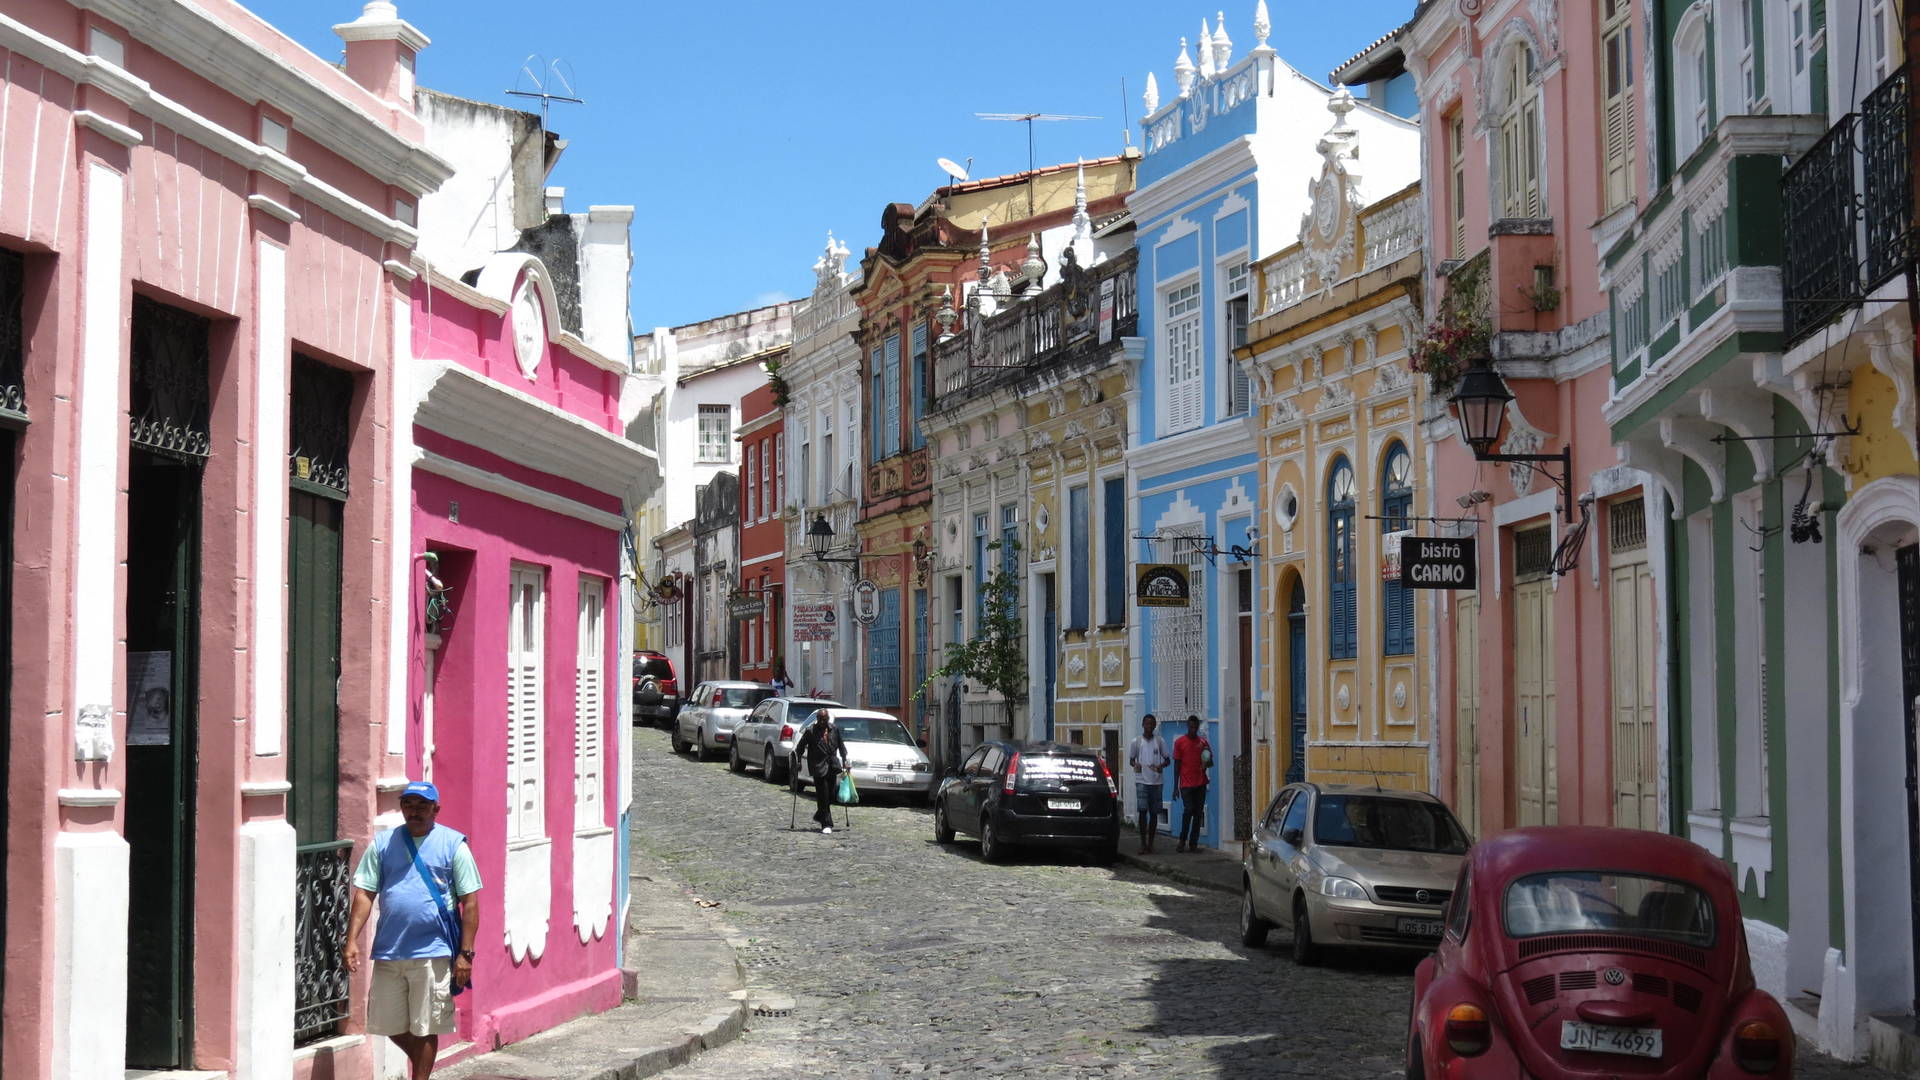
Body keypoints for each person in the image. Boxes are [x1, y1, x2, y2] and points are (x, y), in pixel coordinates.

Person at [343, 781, 481, 1080]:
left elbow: (470, 902)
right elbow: (365, 893)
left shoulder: (453, 845)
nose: (414, 811)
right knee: (387, 1024)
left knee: (426, 1026)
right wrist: (351, 939)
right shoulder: (383, 844)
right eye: (408, 804)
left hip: (433, 950)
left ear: (436, 809)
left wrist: (465, 954)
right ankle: (422, 1066)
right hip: (389, 949)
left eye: (422, 805)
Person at [791, 707, 849, 833]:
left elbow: (841, 745)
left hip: (832, 765)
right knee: (823, 795)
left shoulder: (834, 729)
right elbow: (799, 748)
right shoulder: (811, 731)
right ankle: (826, 824)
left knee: (831, 795)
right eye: (820, 719)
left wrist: (845, 760)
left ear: (828, 719)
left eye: (825, 719)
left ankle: (819, 814)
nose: (823, 721)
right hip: (818, 766)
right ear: (817, 719)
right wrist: (798, 762)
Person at [1127, 713, 1171, 854]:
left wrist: (1161, 766)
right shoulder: (1136, 742)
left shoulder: (1160, 741)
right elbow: (1131, 759)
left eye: (1152, 724)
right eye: (1147, 723)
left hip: (1156, 782)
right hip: (1141, 781)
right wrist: (1135, 765)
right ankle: (1142, 843)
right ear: (1143, 725)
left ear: (1154, 725)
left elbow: (1168, 760)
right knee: (1142, 811)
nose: (1149, 726)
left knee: (1154, 813)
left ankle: (1151, 844)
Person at [1171, 715, 1213, 852]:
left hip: (1200, 783)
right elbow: (1176, 766)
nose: (1193, 729)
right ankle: (1182, 840)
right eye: (1191, 727)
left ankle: (1193, 843)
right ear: (1187, 726)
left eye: (1195, 727)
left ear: (1198, 727)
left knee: (1198, 813)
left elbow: (1209, 761)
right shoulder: (1180, 743)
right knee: (1188, 810)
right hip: (1186, 784)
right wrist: (1175, 787)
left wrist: (1206, 762)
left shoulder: (1203, 743)